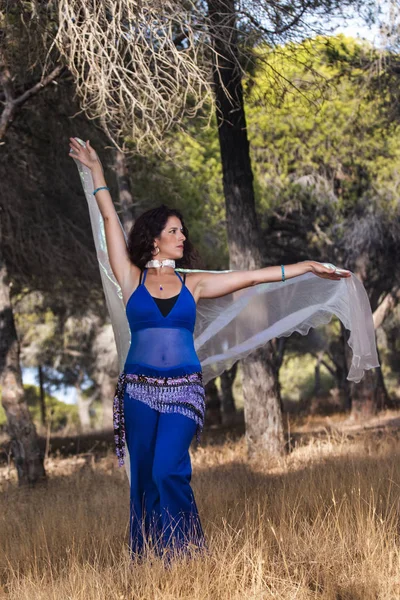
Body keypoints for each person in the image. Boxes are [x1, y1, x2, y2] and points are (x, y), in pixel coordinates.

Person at [68, 137, 377, 560]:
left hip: (182, 389)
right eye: (173, 230)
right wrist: (96, 171)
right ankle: (148, 557)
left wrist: (303, 267)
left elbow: (249, 278)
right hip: (138, 389)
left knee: (167, 469)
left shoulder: (194, 283)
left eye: (182, 231)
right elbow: (108, 217)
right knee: (143, 476)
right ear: (154, 238)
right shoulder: (130, 277)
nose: (182, 236)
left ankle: (187, 553)